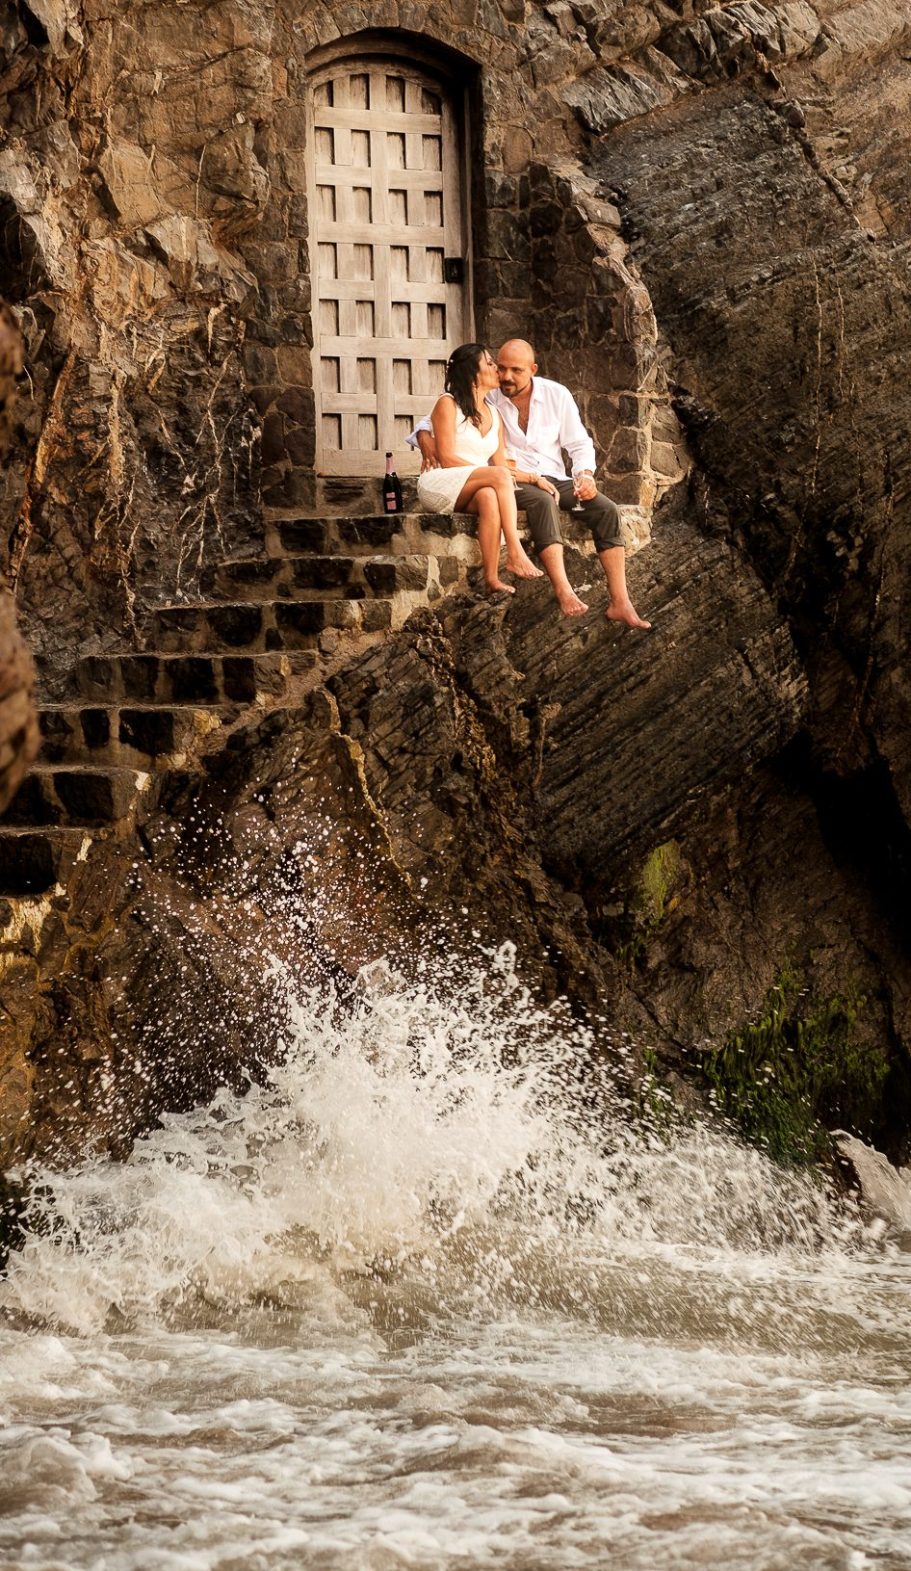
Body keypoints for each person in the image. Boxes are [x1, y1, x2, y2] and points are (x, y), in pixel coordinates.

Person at [411, 339, 650, 628]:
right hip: (513, 480)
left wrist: (585, 476)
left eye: (516, 370)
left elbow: (579, 444)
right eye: (500, 367)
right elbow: (435, 418)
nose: (506, 376)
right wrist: (424, 438)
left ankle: (620, 602)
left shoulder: (555, 395)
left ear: (533, 370)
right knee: (541, 501)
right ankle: (563, 589)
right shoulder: (489, 394)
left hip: (552, 476)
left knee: (606, 509)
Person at [416, 342, 542, 597]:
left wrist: (534, 478)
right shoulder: (448, 404)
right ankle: (515, 550)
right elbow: (447, 458)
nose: (497, 369)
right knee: (496, 478)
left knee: (488, 496)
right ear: (473, 372)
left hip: (472, 485)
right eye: (490, 363)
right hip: (439, 483)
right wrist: (492, 474)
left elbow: (501, 466)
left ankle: (492, 578)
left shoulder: (495, 414)